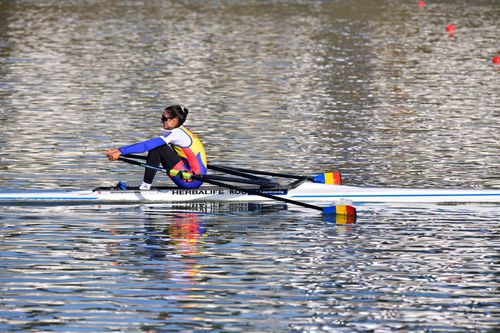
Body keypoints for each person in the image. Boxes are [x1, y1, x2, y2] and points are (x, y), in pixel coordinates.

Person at [105, 104, 207, 190]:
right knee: (158, 147)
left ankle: (145, 187)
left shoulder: (176, 134)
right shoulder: (183, 131)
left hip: (190, 179)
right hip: (194, 176)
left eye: (164, 118)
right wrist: (119, 150)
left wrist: (121, 151)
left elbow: (146, 145)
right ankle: (145, 186)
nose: (162, 120)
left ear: (174, 121)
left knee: (158, 147)